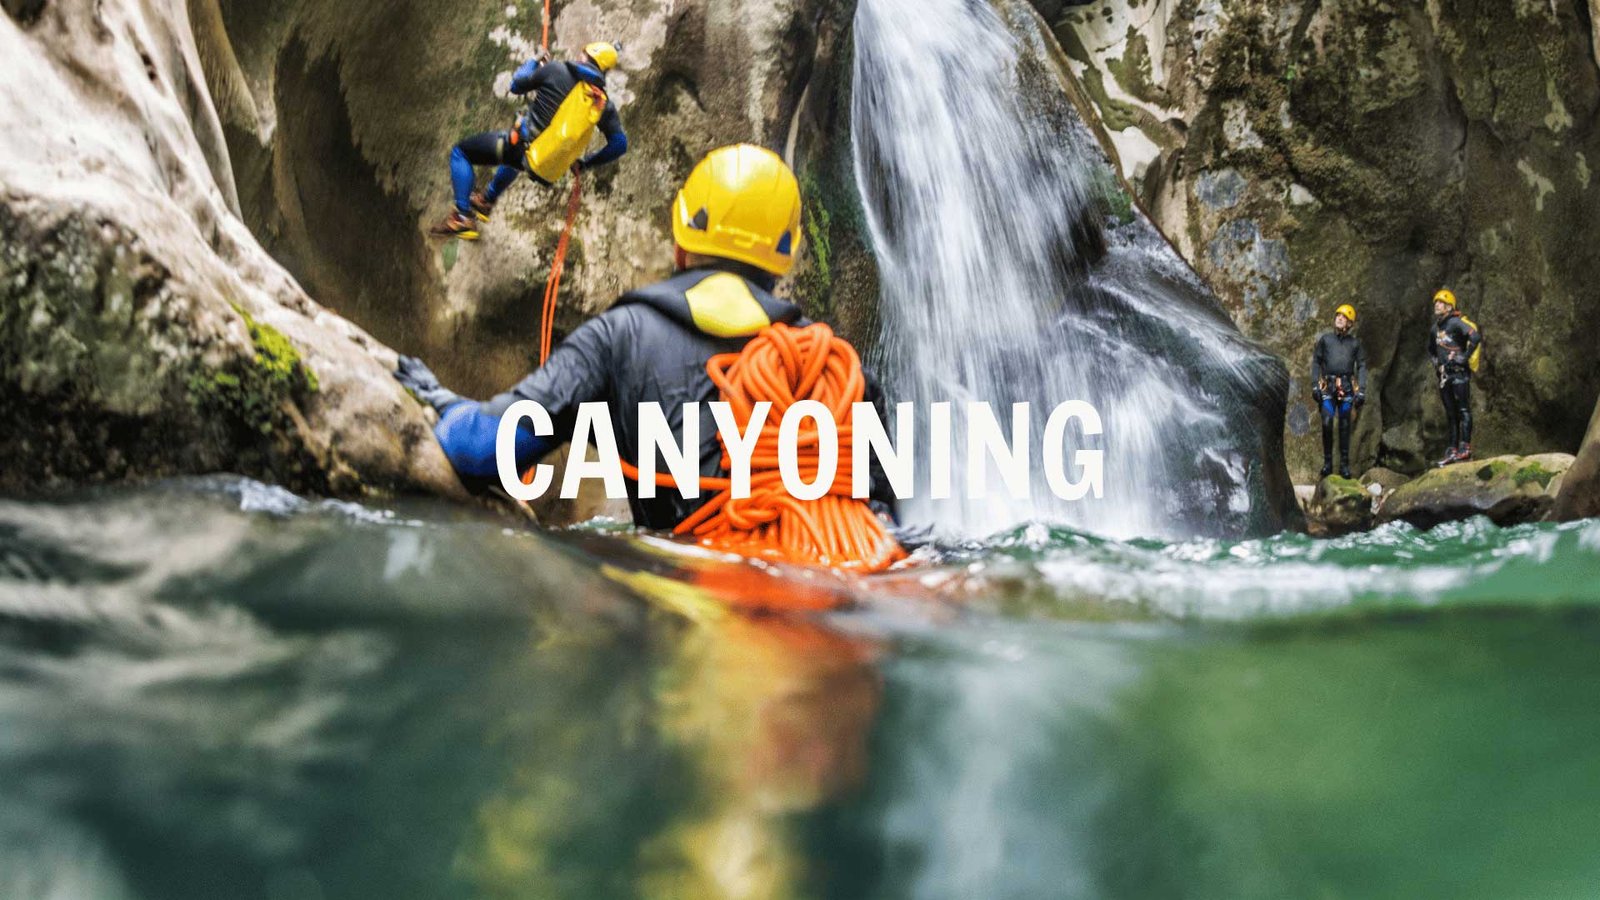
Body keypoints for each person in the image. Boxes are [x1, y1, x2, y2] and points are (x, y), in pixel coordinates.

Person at [397, 144, 893, 532]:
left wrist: (442, 401)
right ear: (784, 257)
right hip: (828, 613)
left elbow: (486, 449)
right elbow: (881, 526)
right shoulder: (839, 371)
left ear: (681, 242)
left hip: (684, 602)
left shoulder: (620, 338)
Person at [428, 41, 629, 240]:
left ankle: (462, 216)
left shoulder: (557, 70)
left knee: (460, 153)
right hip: (539, 161)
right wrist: (585, 164)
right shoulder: (602, 104)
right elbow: (619, 145)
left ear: (588, 56)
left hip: (520, 145)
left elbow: (516, 84)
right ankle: (486, 200)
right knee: (515, 161)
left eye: (583, 53)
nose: (579, 55)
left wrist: (534, 62)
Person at [1310, 303, 1367, 479]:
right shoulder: (1326, 340)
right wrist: (1314, 384)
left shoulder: (1354, 344)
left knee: (1344, 425)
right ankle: (1327, 464)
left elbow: (1362, 365)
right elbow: (1316, 362)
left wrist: (1362, 390)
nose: (1339, 318)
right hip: (1328, 387)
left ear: (1350, 323)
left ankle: (1344, 465)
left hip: (1347, 390)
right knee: (1327, 422)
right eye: (1338, 316)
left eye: (1344, 317)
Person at [1429, 288, 1482, 466]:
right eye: (1436, 302)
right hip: (1445, 376)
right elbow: (1431, 350)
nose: (1437, 304)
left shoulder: (1456, 323)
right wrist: (1437, 365)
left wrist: (1464, 358)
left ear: (1449, 306)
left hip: (1459, 374)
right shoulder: (1434, 329)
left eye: (1441, 302)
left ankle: (1465, 448)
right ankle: (1452, 449)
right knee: (1451, 414)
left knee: (1463, 410)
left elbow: (1475, 337)